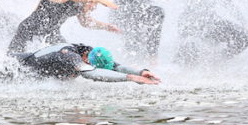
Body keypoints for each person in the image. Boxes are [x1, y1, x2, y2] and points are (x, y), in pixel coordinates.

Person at [12, 43, 160, 84]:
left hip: (32, 74)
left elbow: (116, 67)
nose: (93, 67)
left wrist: (141, 72)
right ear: (86, 60)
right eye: (92, 65)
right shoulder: (70, 55)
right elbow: (91, 74)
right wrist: (131, 78)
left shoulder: (91, 53)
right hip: (14, 67)